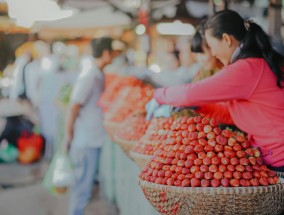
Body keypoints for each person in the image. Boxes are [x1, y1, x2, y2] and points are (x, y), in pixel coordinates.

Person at [148, 10, 284, 171]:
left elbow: (188, 93)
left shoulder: (246, 69)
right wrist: (199, 107)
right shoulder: (252, 65)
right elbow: (231, 115)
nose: (212, 53)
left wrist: (157, 95)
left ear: (226, 39)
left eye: (212, 46)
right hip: (271, 155)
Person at [64, 37, 114, 215]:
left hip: (92, 139)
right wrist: (68, 137)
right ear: (106, 53)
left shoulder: (97, 74)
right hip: (85, 142)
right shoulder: (89, 75)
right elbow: (73, 106)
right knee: (82, 188)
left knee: (85, 186)